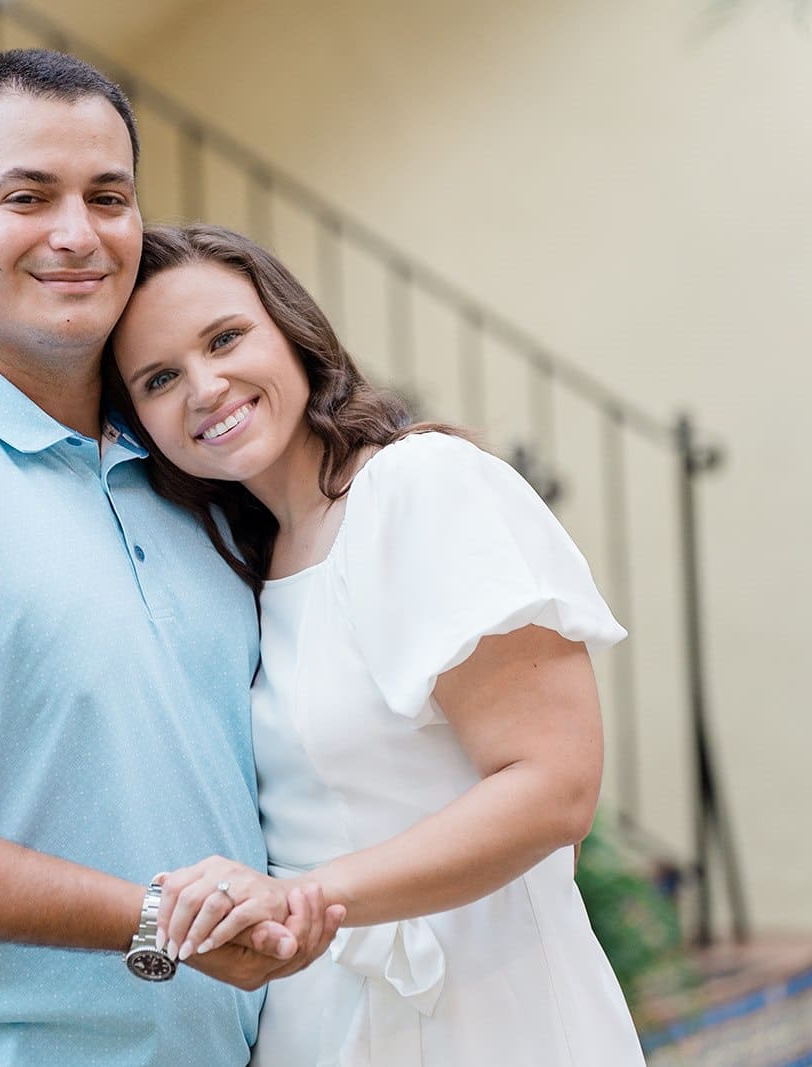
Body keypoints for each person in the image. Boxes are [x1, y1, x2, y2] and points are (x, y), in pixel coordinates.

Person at [0, 54, 342, 1067]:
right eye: (28, 197)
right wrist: (157, 919)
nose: (77, 233)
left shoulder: (181, 468)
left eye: (107, 197)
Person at [107, 223, 648, 1065]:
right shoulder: (246, 564)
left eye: (225, 338)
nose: (206, 387)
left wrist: (306, 898)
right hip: (320, 1023)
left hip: (482, 1017)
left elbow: (556, 789)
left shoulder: (419, 486)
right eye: (159, 377)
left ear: (293, 331)